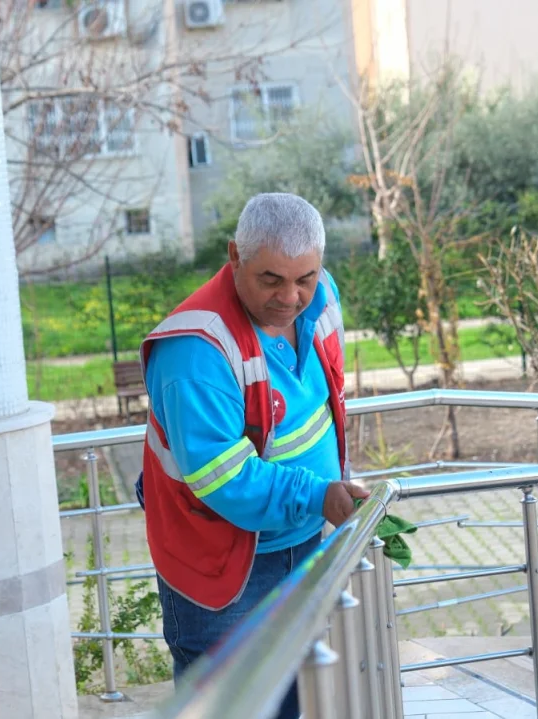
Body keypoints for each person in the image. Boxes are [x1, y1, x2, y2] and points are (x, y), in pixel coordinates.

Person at [135, 192, 369, 718]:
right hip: (223, 568)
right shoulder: (195, 351)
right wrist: (319, 494)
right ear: (234, 256)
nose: (290, 297)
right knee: (232, 706)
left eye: (304, 278)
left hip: (303, 541)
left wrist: (329, 491)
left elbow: (321, 399)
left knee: (293, 700)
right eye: (270, 279)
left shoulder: (321, 296)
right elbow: (225, 481)